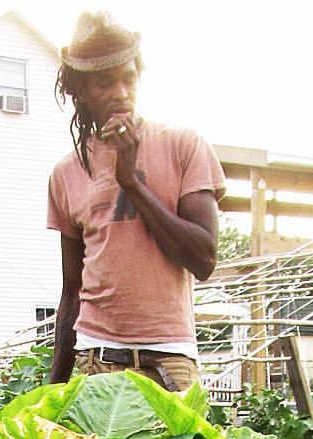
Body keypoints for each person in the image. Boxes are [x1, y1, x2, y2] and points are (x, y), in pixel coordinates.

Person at [47, 11, 226, 392]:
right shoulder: (67, 173)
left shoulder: (183, 145)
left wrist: (132, 183)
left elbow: (204, 258)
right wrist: (53, 392)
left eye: (128, 78)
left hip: (170, 361)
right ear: (79, 91)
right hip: (98, 359)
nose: (120, 93)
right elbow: (71, 289)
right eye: (103, 83)